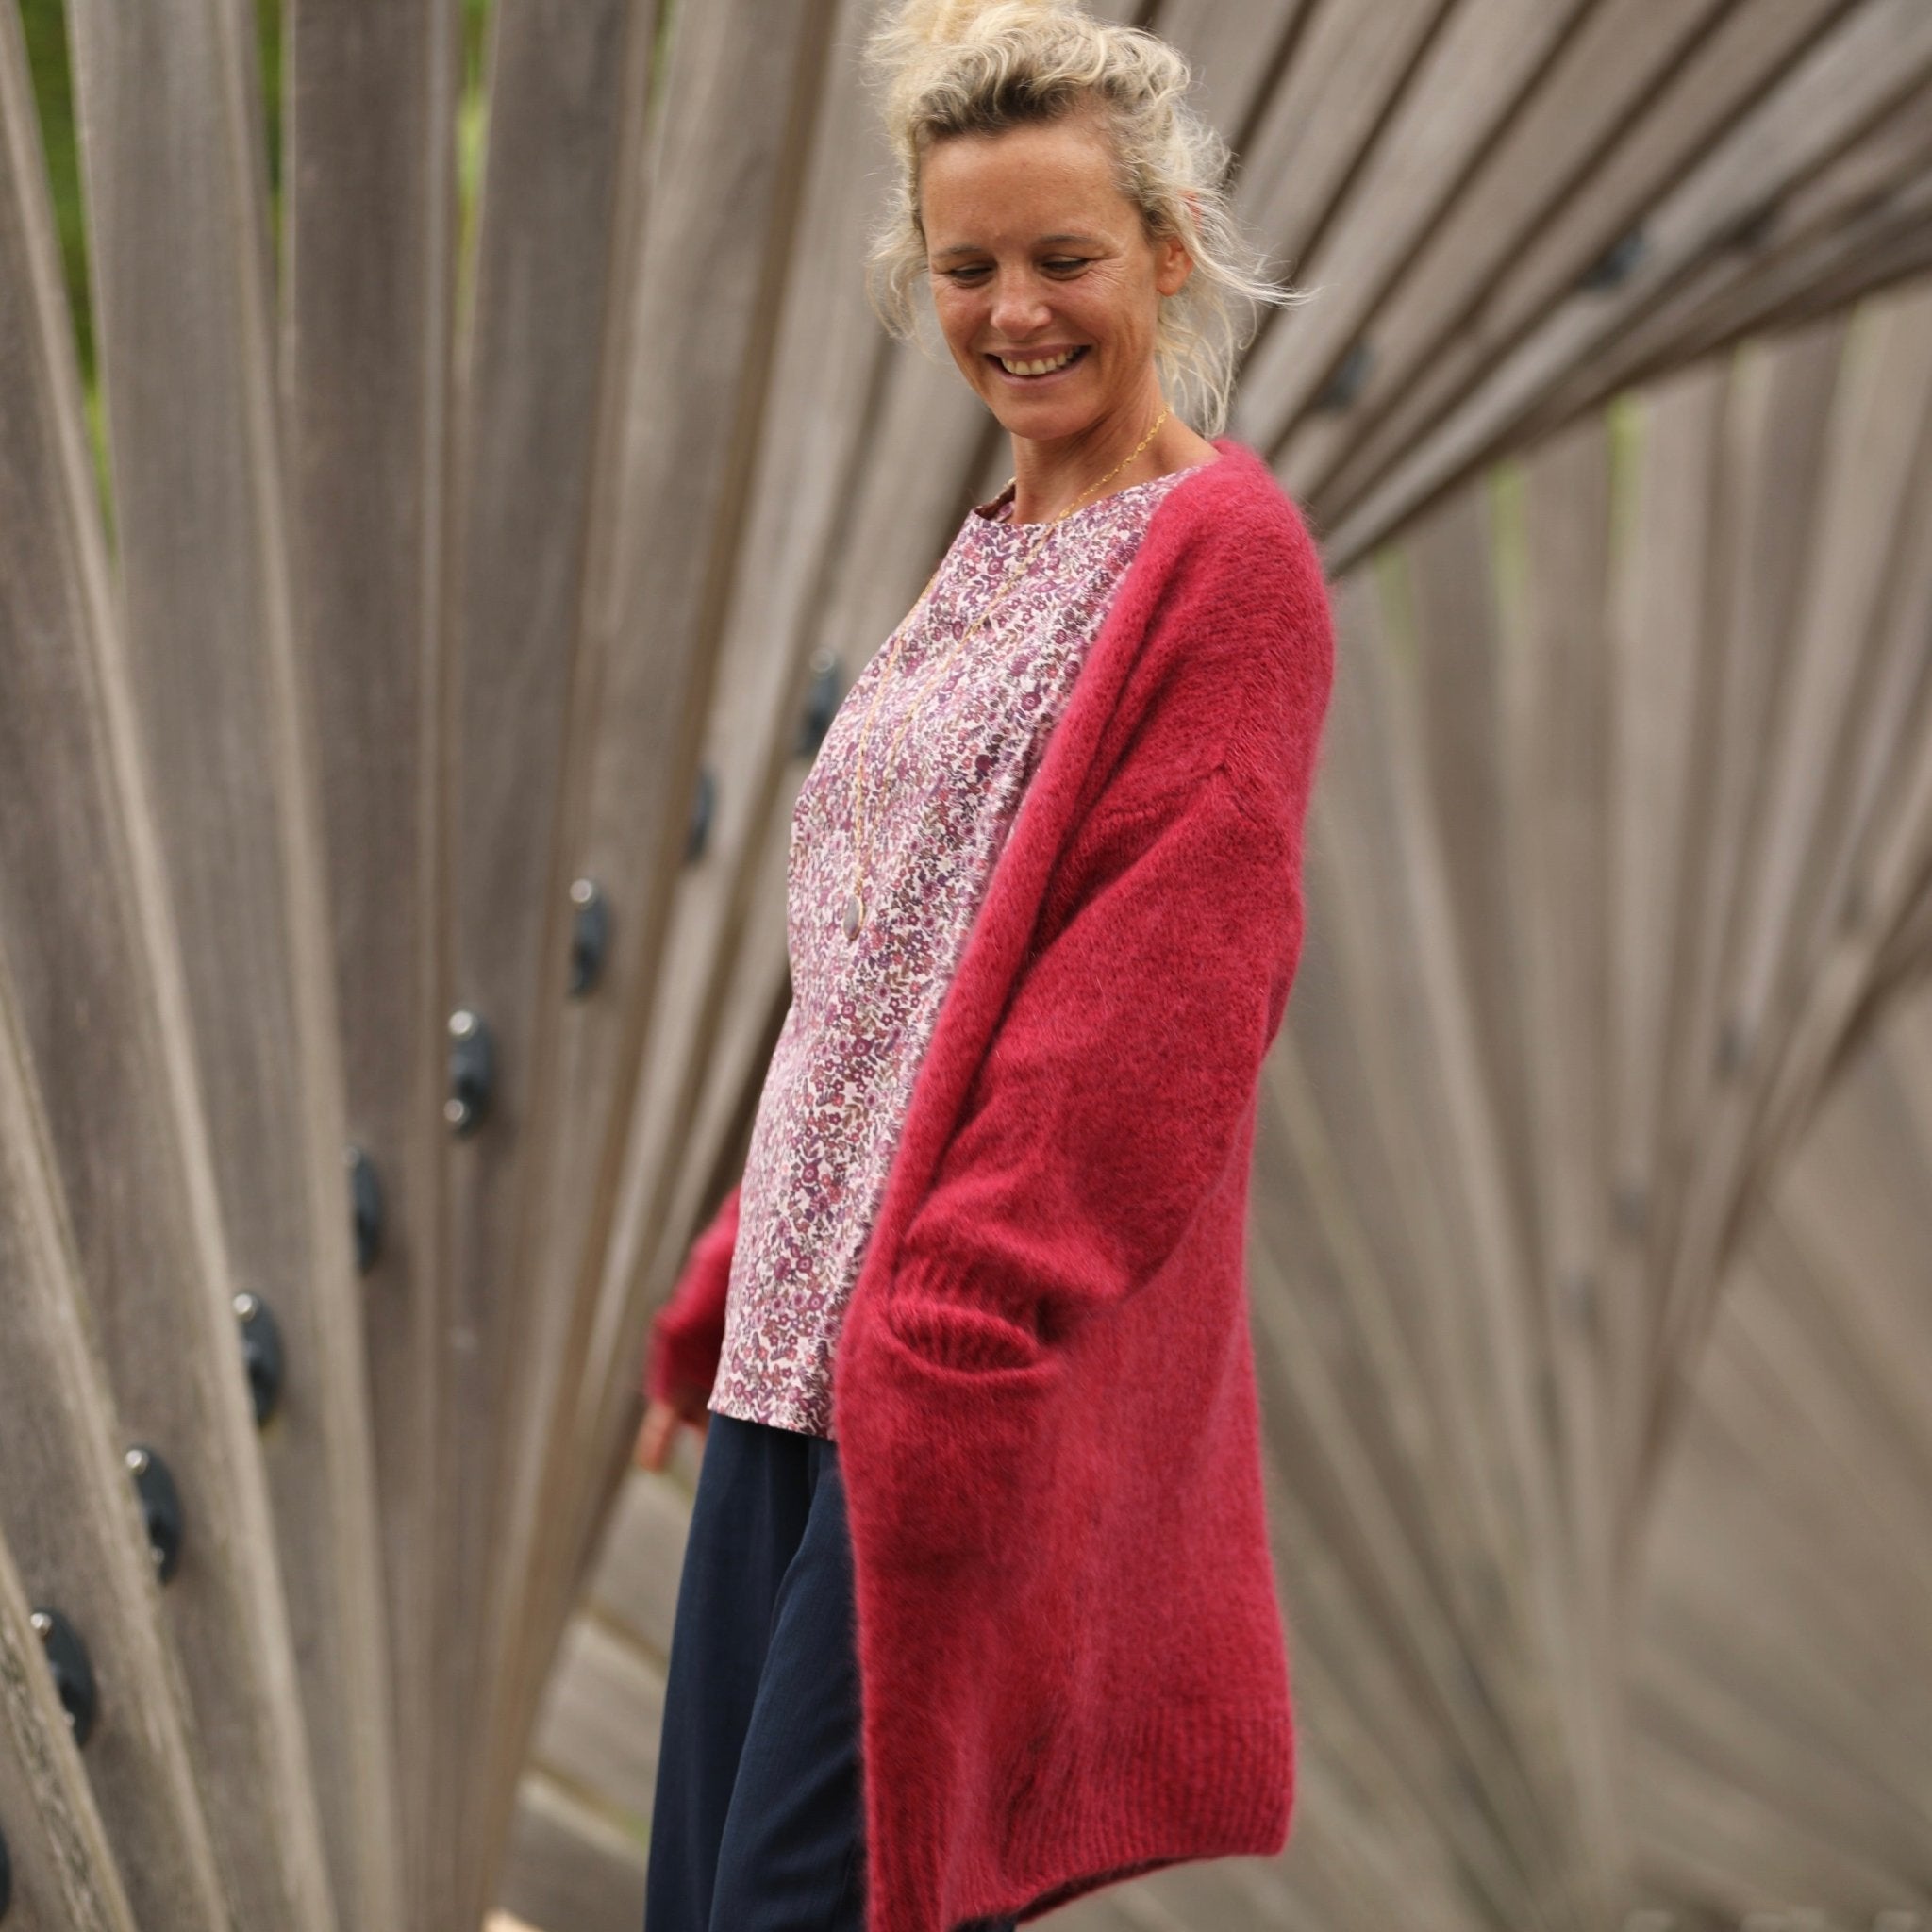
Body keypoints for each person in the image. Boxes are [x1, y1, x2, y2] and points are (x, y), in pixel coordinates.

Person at [636, 2, 1334, 1926]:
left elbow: (1158, 1014)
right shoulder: (991, 545)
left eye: (1063, 259)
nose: (1015, 312)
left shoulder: (1222, 561)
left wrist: (952, 1340)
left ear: (1169, 251)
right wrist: (728, 1279)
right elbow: (875, 979)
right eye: (968, 268)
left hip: (943, 1383)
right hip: (800, 1362)